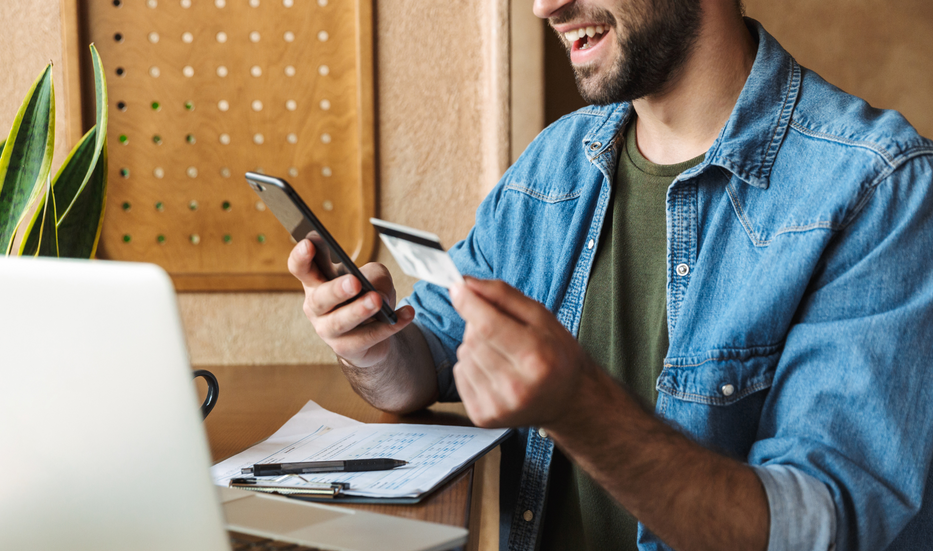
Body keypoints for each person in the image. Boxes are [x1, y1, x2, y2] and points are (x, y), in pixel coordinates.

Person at [288, 0, 933, 549]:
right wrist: (370, 343)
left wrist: (579, 407)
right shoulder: (558, 160)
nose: (544, 6)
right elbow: (424, 361)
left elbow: (822, 525)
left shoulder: (878, 189)